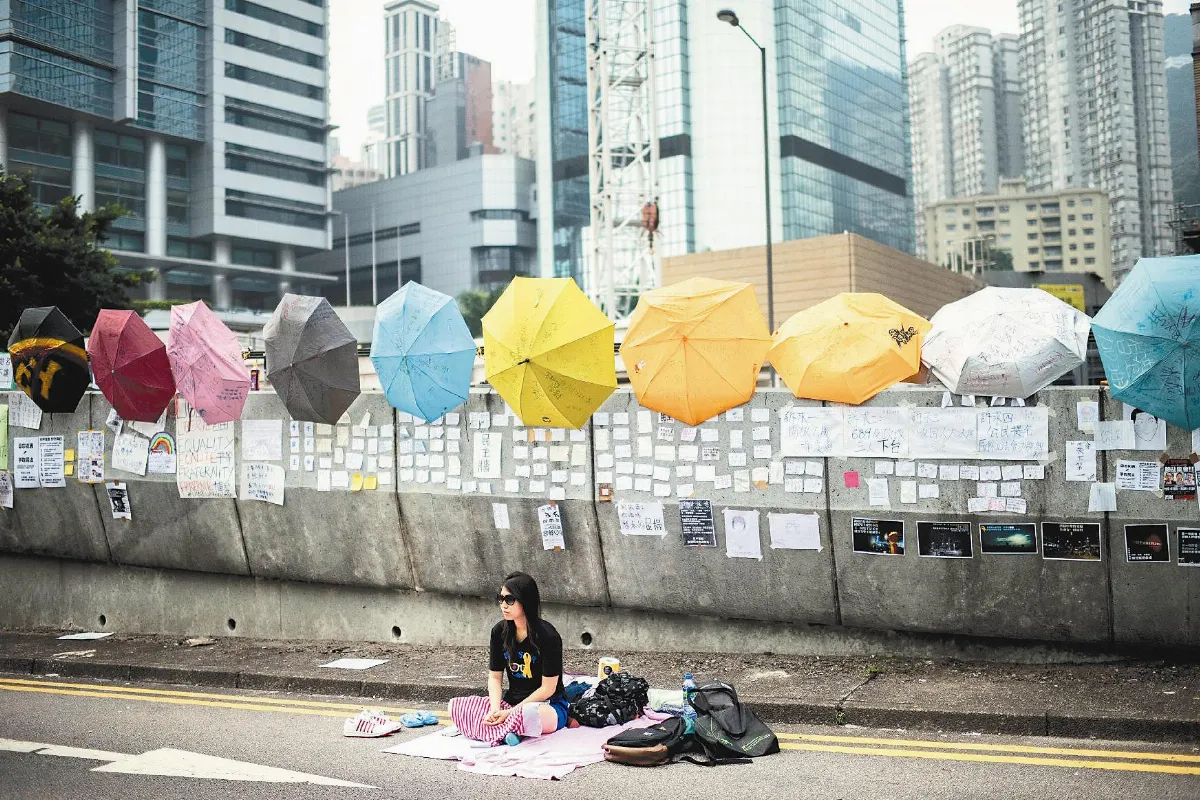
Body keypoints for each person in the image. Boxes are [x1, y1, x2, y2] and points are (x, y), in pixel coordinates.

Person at [447, 572, 569, 743]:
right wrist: (495, 709)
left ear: (526, 601)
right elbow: (495, 677)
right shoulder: (499, 632)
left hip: (547, 705)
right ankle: (511, 731)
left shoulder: (548, 636)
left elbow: (547, 689)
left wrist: (511, 713)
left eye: (510, 600)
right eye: (501, 598)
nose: (503, 605)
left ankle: (501, 730)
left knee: (530, 714)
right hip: (510, 704)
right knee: (456, 707)